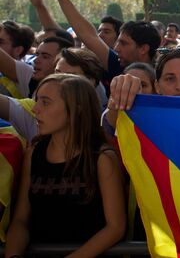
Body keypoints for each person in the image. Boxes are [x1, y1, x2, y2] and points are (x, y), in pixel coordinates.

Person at [4, 74, 126, 257]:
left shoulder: (102, 158)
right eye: (37, 100)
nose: (36, 109)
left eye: (46, 103)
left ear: (76, 110)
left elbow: (115, 228)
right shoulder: (33, 154)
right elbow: (21, 219)